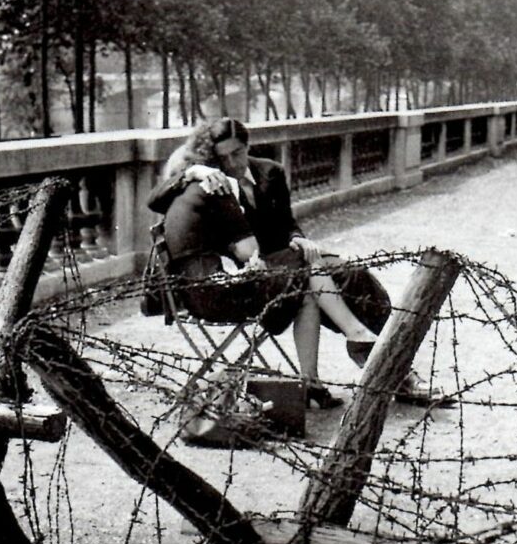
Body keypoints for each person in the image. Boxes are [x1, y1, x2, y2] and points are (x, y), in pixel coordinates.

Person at [147, 117, 436, 406]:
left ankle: (395, 365)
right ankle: (373, 354)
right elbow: (157, 198)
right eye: (224, 157)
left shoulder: (271, 172)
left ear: (248, 146)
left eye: (237, 153)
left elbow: (288, 223)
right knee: (313, 280)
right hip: (263, 271)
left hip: (288, 258)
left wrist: (299, 238)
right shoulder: (213, 183)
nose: (232, 162)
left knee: (353, 275)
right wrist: (194, 171)